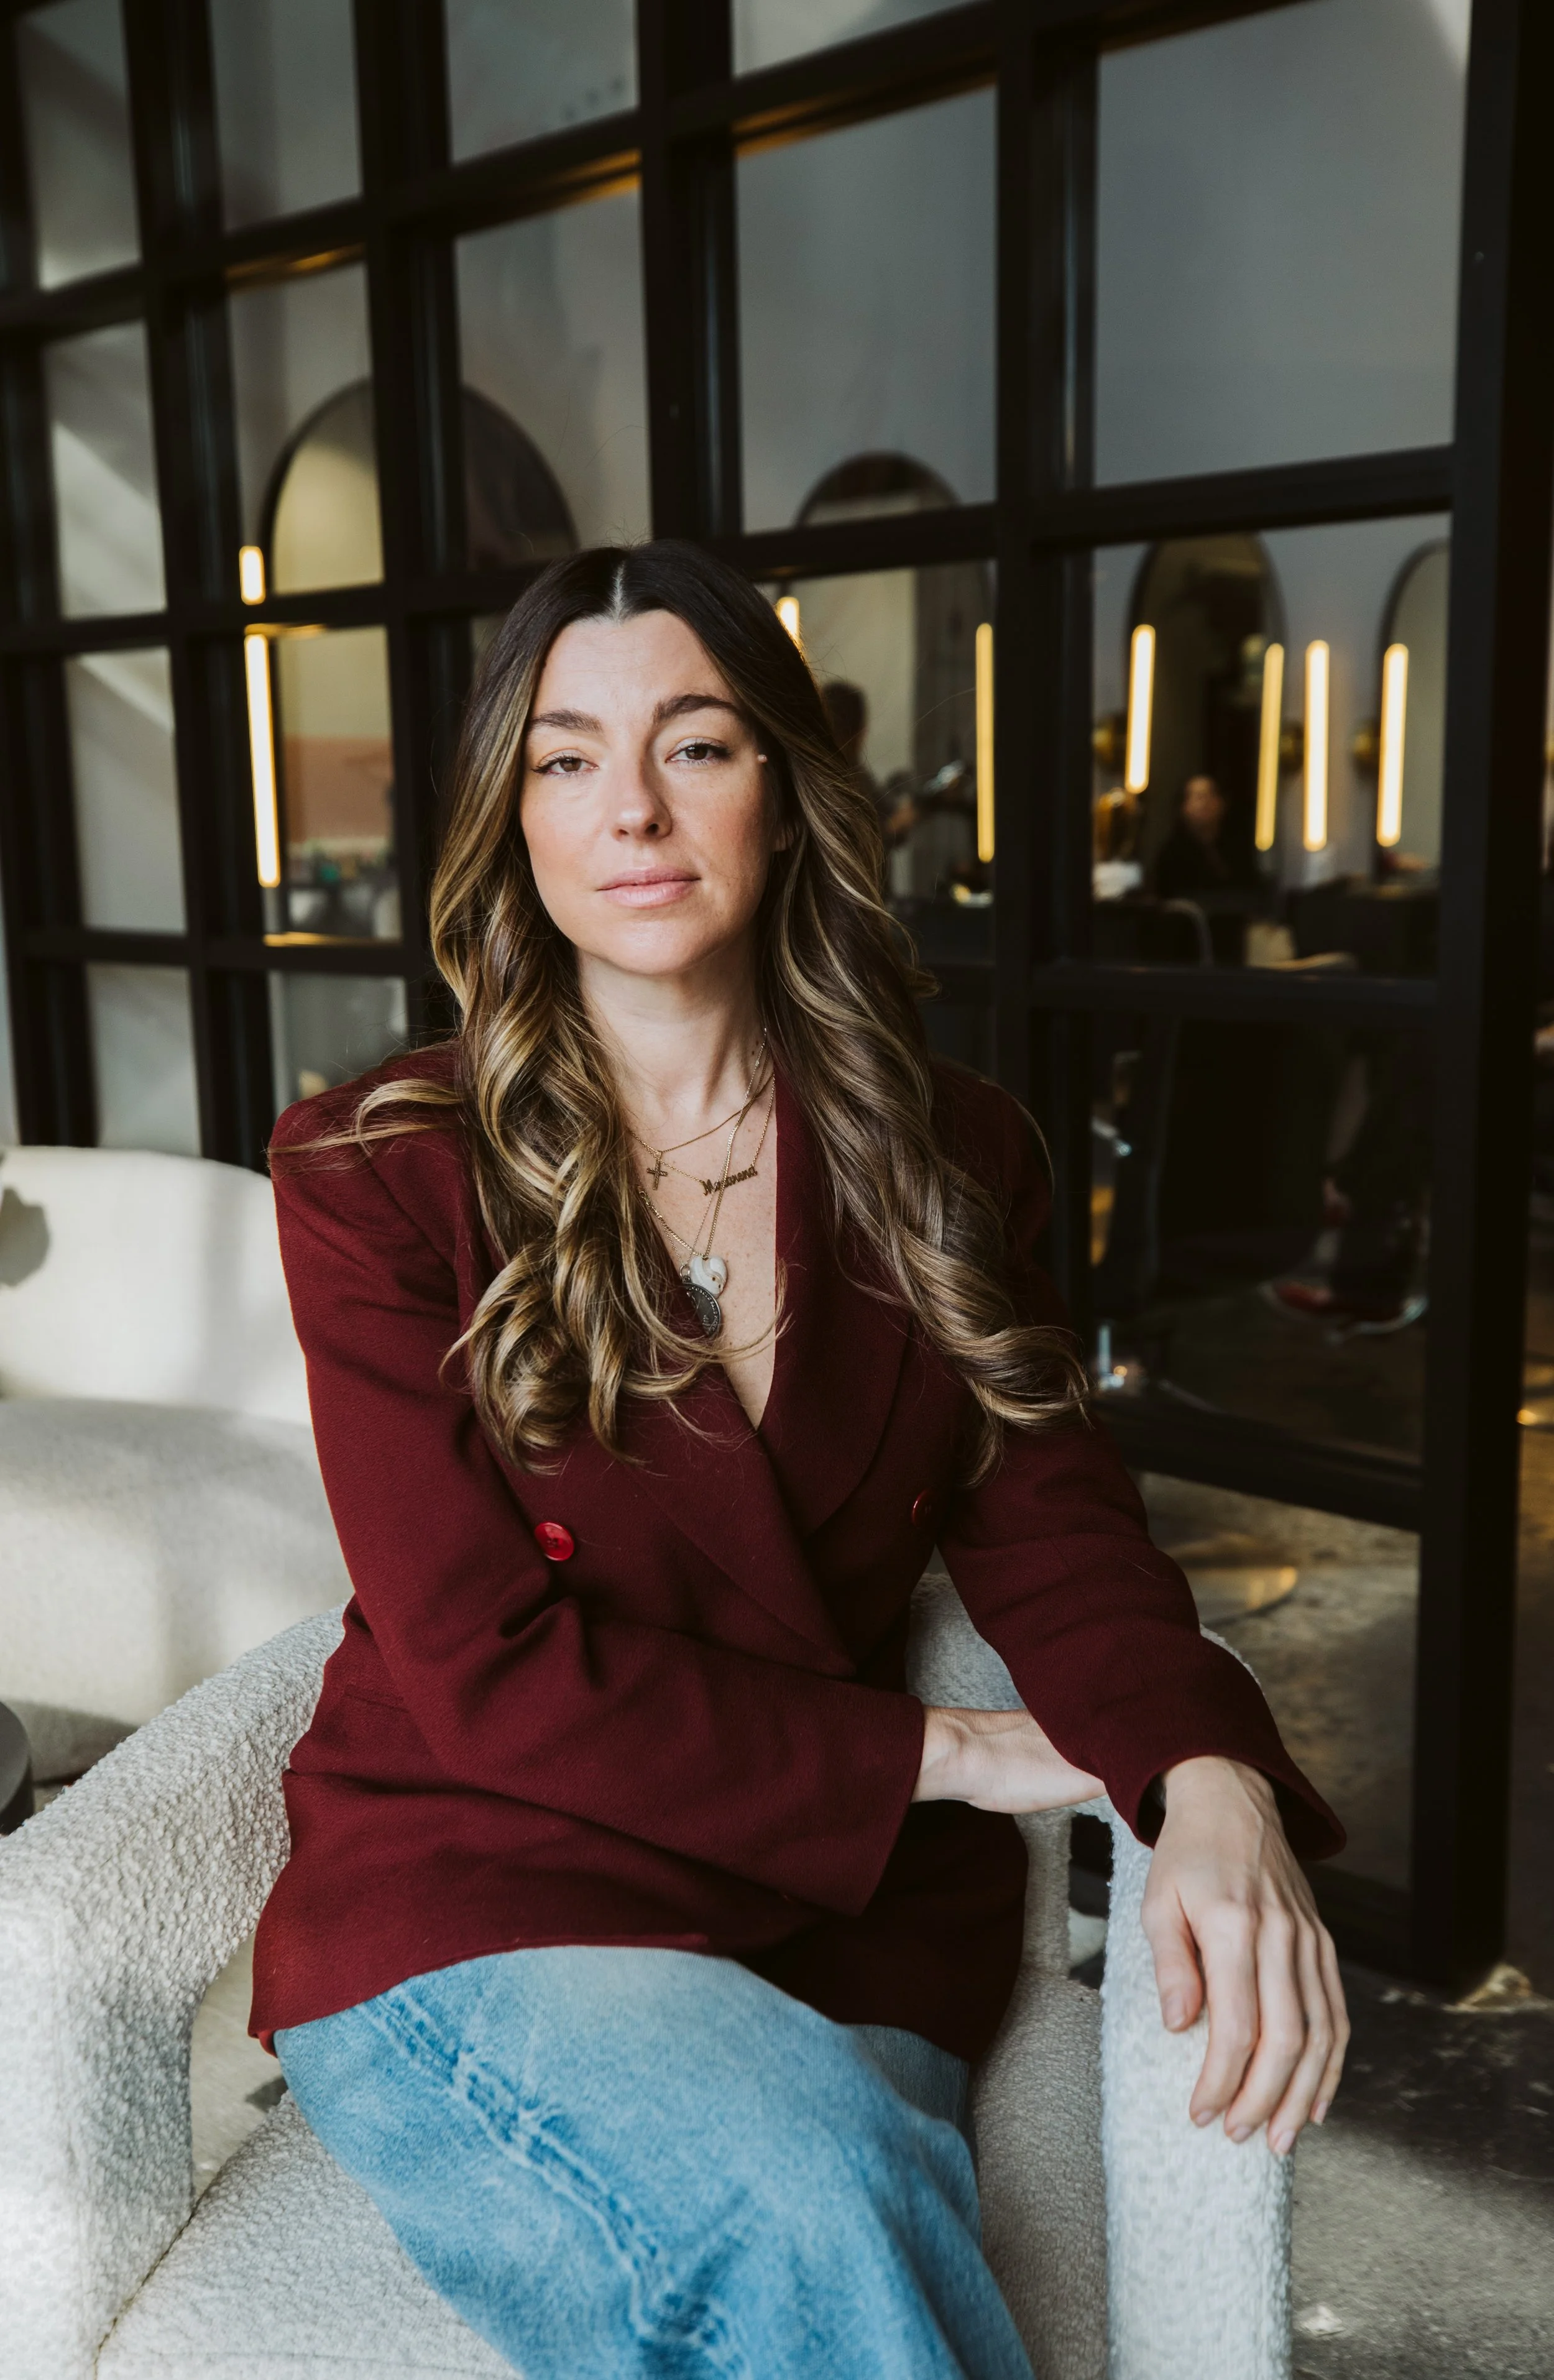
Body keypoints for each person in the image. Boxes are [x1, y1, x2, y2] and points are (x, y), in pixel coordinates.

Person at [257, 543, 1347, 2379]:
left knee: (819, 2206)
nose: (632, 809)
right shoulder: (378, 1172)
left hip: (822, 1910)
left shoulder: (951, 1153)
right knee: (803, 2201)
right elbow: (481, 1668)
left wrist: (1200, 1761)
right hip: (483, 1880)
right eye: (565, 758)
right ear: (506, 817)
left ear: (781, 784)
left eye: (694, 746)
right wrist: (964, 1751)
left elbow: (1058, 1526)